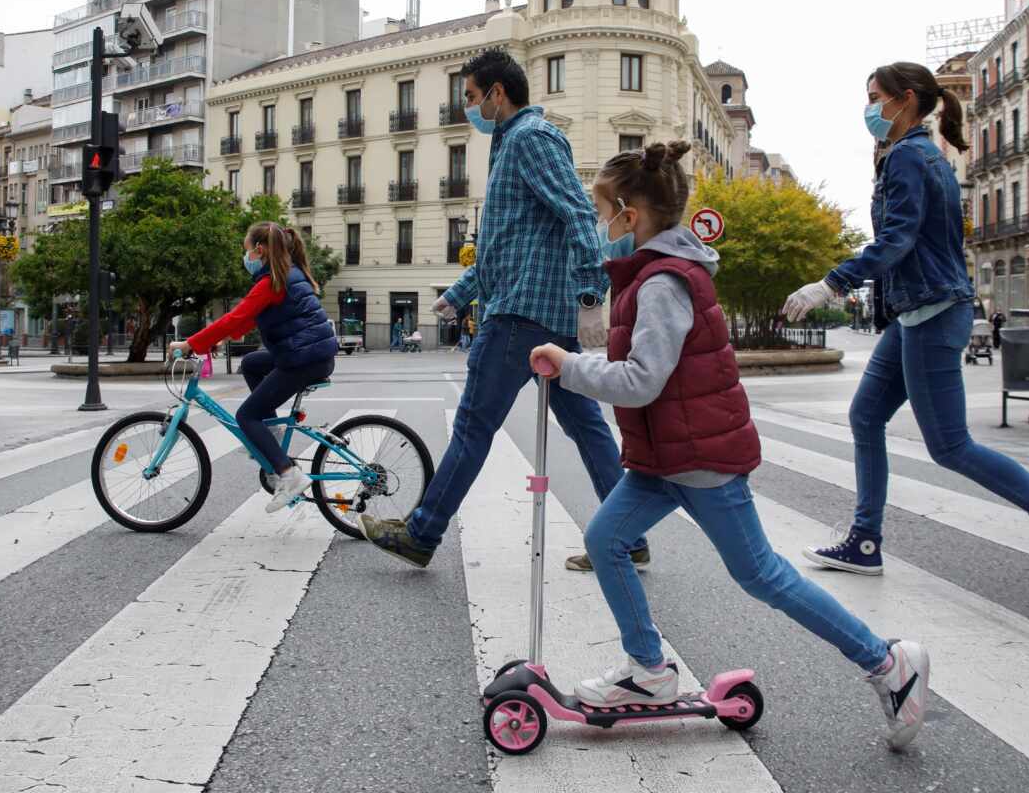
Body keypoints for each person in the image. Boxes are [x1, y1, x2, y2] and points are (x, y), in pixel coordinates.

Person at [527, 141, 930, 748]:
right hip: (665, 457)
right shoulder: (650, 274)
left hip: (699, 459)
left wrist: (570, 364)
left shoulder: (663, 282)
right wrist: (578, 361)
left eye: (600, 209)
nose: (596, 222)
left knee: (762, 574)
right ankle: (650, 672)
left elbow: (641, 380)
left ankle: (886, 662)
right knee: (606, 538)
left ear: (629, 215)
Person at [783, 61, 1029, 605]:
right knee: (865, 416)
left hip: (934, 311)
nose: (867, 109)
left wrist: (832, 283)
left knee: (951, 446)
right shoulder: (912, 154)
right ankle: (865, 541)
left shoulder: (911, 156)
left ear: (905, 98)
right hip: (917, 310)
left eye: (874, 97)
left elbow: (899, 238)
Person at [360, 46, 648, 571]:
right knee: (584, 424)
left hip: (521, 317)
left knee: (472, 426)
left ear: (497, 93)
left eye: (471, 96)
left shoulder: (530, 139)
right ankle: (628, 535)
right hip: (534, 309)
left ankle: (421, 534)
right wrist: (460, 293)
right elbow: (512, 243)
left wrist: (590, 296)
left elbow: (578, 215)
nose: (468, 108)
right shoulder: (512, 143)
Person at [169, 222, 339, 514]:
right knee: (250, 364)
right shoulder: (286, 275)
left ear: (259, 250)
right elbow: (245, 321)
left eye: (246, 250)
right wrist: (215, 340)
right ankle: (272, 446)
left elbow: (236, 317)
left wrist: (192, 344)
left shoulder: (271, 282)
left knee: (247, 416)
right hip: (309, 354)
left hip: (302, 359)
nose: (245, 256)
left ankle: (288, 474)